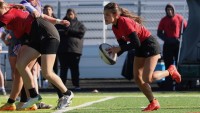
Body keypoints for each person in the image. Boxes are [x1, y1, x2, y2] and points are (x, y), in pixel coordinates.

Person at [103, 2, 181, 111]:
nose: (104, 17)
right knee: (138, 78)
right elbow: (123, 46)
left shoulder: (124, 22)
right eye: (104, 14)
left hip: (149, 45)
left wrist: (119, 49)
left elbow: (136, 43)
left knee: (147, 78)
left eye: (107, 14)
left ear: (116, 15)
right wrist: (113, 54)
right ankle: (153, 102)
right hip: (140, 47)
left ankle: (170, 71)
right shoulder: (114, 27)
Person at [0, 1, 73, 110]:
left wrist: (57, 21)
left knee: (47, 72)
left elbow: (40, 17)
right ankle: (34, 95)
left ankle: (67, 93)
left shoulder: (7, 14)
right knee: (20, 65)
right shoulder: (11, 8)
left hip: (47, 35)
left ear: (3, 8)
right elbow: (41, 15)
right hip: (35, 37)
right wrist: (58, 21)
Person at [157, 3, 187, 90]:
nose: (169, 11)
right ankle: (168, 84)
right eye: (168, 10)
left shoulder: (180, 18)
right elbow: (159, 33)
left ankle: (179, 84)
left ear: (173, 10)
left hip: (178, 44)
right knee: (168, 65)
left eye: (171, 9)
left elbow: (185, 29)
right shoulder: (164, 20)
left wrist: (181, 39)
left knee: (178, 64)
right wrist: (167, 39)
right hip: (168, 45)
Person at [56, 8, 86, 90]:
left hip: (75, 50)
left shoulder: (79, 24)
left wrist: (68, 31)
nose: (69, 16)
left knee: (75, 69)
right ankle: (62, 87)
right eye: (68, 14)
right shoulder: (61, 23)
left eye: (71, 14)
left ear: (74, 15)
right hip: (62, 50)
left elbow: (81, 33)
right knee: (63, 69)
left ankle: (76, 85)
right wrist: (66, 32)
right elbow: (57, 32)